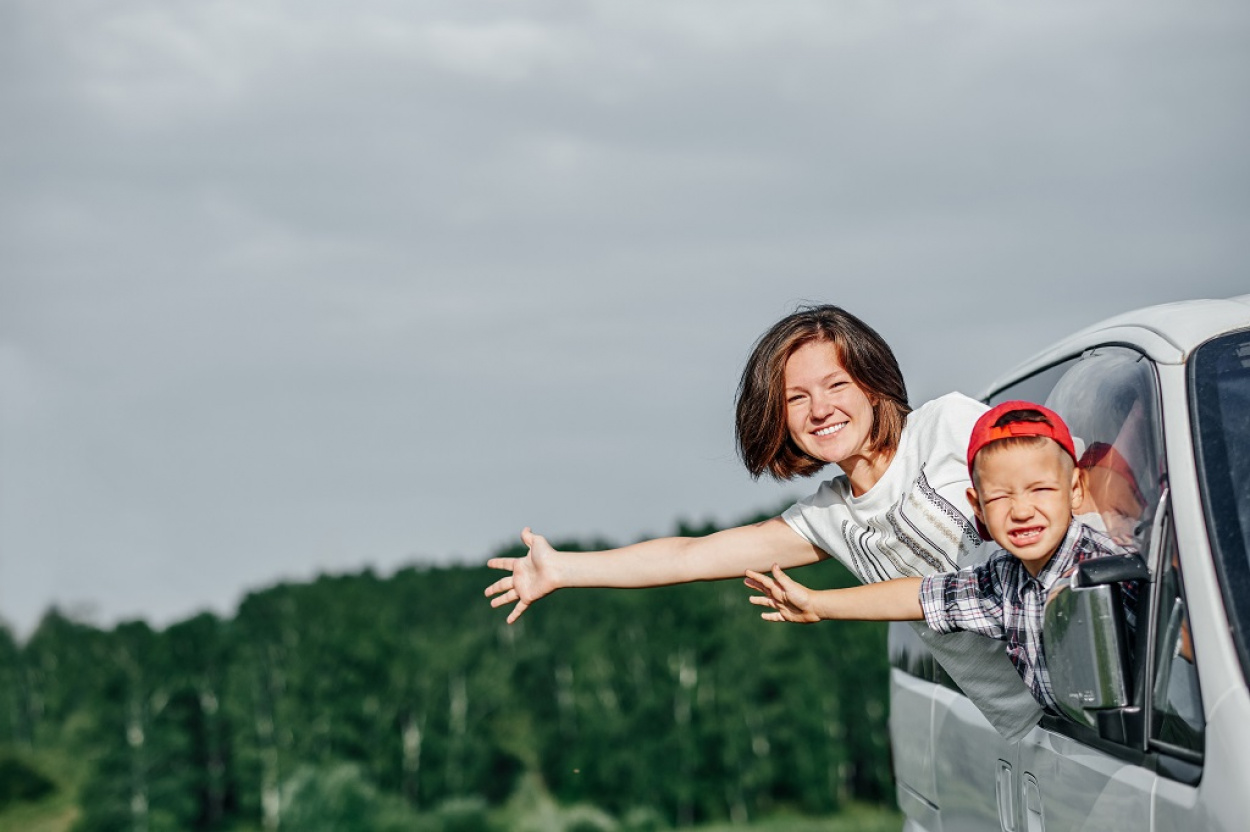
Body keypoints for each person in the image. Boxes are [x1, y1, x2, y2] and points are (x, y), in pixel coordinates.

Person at [485, 304, 1043, 739]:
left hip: (1095, 688)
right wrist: (563, 570)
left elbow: (1073, 484)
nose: (819, 409)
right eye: (795, 398)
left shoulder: (950, 426)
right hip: (1038, 730)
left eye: (836, 385)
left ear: (873, 384)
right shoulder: (829, 518)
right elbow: (689, 556)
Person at [745, 402, 1131, 713]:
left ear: (1076, 490)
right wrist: (818, 603)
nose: (1022, 510)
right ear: (977, 508)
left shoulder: (1106, 566)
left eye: (1040, 489)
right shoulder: (999, 584)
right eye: (1000, 497)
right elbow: (916, 596)